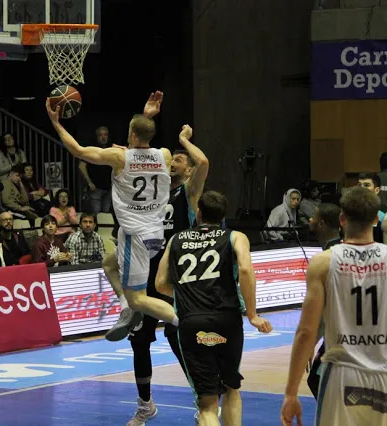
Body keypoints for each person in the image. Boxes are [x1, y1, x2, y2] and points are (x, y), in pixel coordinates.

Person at [47, 91, 178, 338]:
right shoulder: (165, 155)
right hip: (156, 234)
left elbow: (77, 150)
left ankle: (187, 321)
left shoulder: (119, 157)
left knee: (139, 298)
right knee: (109, 264)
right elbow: (143, 152)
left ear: (132, 134)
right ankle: (127, 310)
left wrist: (56, 123)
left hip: (134, 236)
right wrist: (147, 118)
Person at [156, 190, 272, 426]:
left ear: (198, 213)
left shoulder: (176, 239)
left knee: (208, 405)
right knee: (231, 388)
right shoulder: (236, 236)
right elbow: (246, 270)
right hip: (227, 319)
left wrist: (187, 293)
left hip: (192, 322)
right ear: (223, 215)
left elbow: (160, 284)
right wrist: (252, 315)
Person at [124, 125, 210, 425]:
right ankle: (145, 404)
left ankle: (204, 400)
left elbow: (204, 162)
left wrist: (184, 140)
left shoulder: (188, 192)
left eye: (179, 160)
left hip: (175, 277)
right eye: (171, 159)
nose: (173, 163)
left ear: (188, 170)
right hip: (146, 273)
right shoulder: (156, 190)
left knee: (178, 336)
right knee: (139, 340)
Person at [281, 186, 387, 426]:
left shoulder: (323, 262)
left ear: (342, 219)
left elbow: (307, 331)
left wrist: (291, 392)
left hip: (342, 373)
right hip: (383, 369)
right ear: (375, 219)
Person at [305, 202, 342, 400]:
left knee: (317, 381)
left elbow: (320, 308)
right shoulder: (343, 248)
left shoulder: (325, 259)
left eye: (314, 217)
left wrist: (309, 343)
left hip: (341, 337)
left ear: (322, 224)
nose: (309, 219)